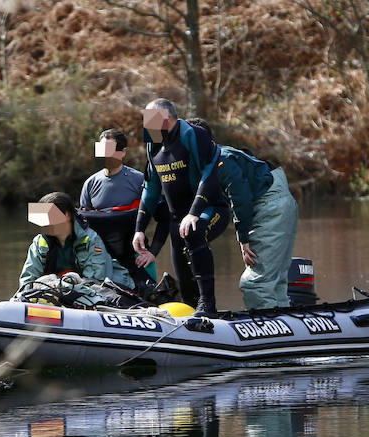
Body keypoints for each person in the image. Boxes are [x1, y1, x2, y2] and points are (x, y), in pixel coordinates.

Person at [186, 118, 298, 309]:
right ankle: (283, 322)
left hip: (270, 206)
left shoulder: (223, 161)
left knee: (255, 283)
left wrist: (243, 238)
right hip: (279, 202)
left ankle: (266, 331)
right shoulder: (219, 155)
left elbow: (241, 199)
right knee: (275, 281)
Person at [133, 99, 229, 316]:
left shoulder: (194, 135)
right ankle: (193, 316)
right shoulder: (153, 142)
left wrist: (194, 213)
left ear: (166, 118)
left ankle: (208, 305)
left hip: (209, 209)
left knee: (193, 233)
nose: (145, 124)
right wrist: (139, 228)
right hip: (177, 219)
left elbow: (210, 175)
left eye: (150, 119)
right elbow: (151, 188)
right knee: (185, 280)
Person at [80, 129, 170, 290]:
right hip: (100, 261)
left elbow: (164, 217)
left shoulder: (139, 181)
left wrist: (153, 252)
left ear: (123, 152)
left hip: (136, 260)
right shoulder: (90, 184)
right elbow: (83, 229)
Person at [19, 191, 135, 290]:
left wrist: (57, 285)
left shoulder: (91, 239)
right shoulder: (39, 242)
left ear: (67, 215)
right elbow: (27, 280)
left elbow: (96, 281)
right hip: (59, 291)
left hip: (108, 290)